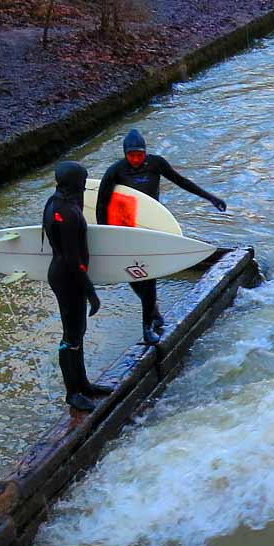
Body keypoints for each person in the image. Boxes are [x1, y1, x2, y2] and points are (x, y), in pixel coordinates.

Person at [95, 128, 227, 345]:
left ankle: (147, 326)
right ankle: (153, 310)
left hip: (150, 229)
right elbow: (101, 203)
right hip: (126, 230)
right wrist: (107, 233)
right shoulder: (115, 171)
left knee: (149, 277)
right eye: (132, 155)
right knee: (131, 275)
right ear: (125, 154)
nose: (136, 160)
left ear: (145, 153)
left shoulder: (156, 164)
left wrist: (210, 197)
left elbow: (180, 181)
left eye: (140, 155)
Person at [44, 161, 114, 412]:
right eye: (83, 181)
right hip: (67, 277)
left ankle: (83, 383)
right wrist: (91, 292)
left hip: (69, 274)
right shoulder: (65, 212)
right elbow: (72, 260)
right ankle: (72, 393)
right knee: (71, 335)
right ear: (75, 183)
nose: (85, 185)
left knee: (78, 331)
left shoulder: (60, 202)